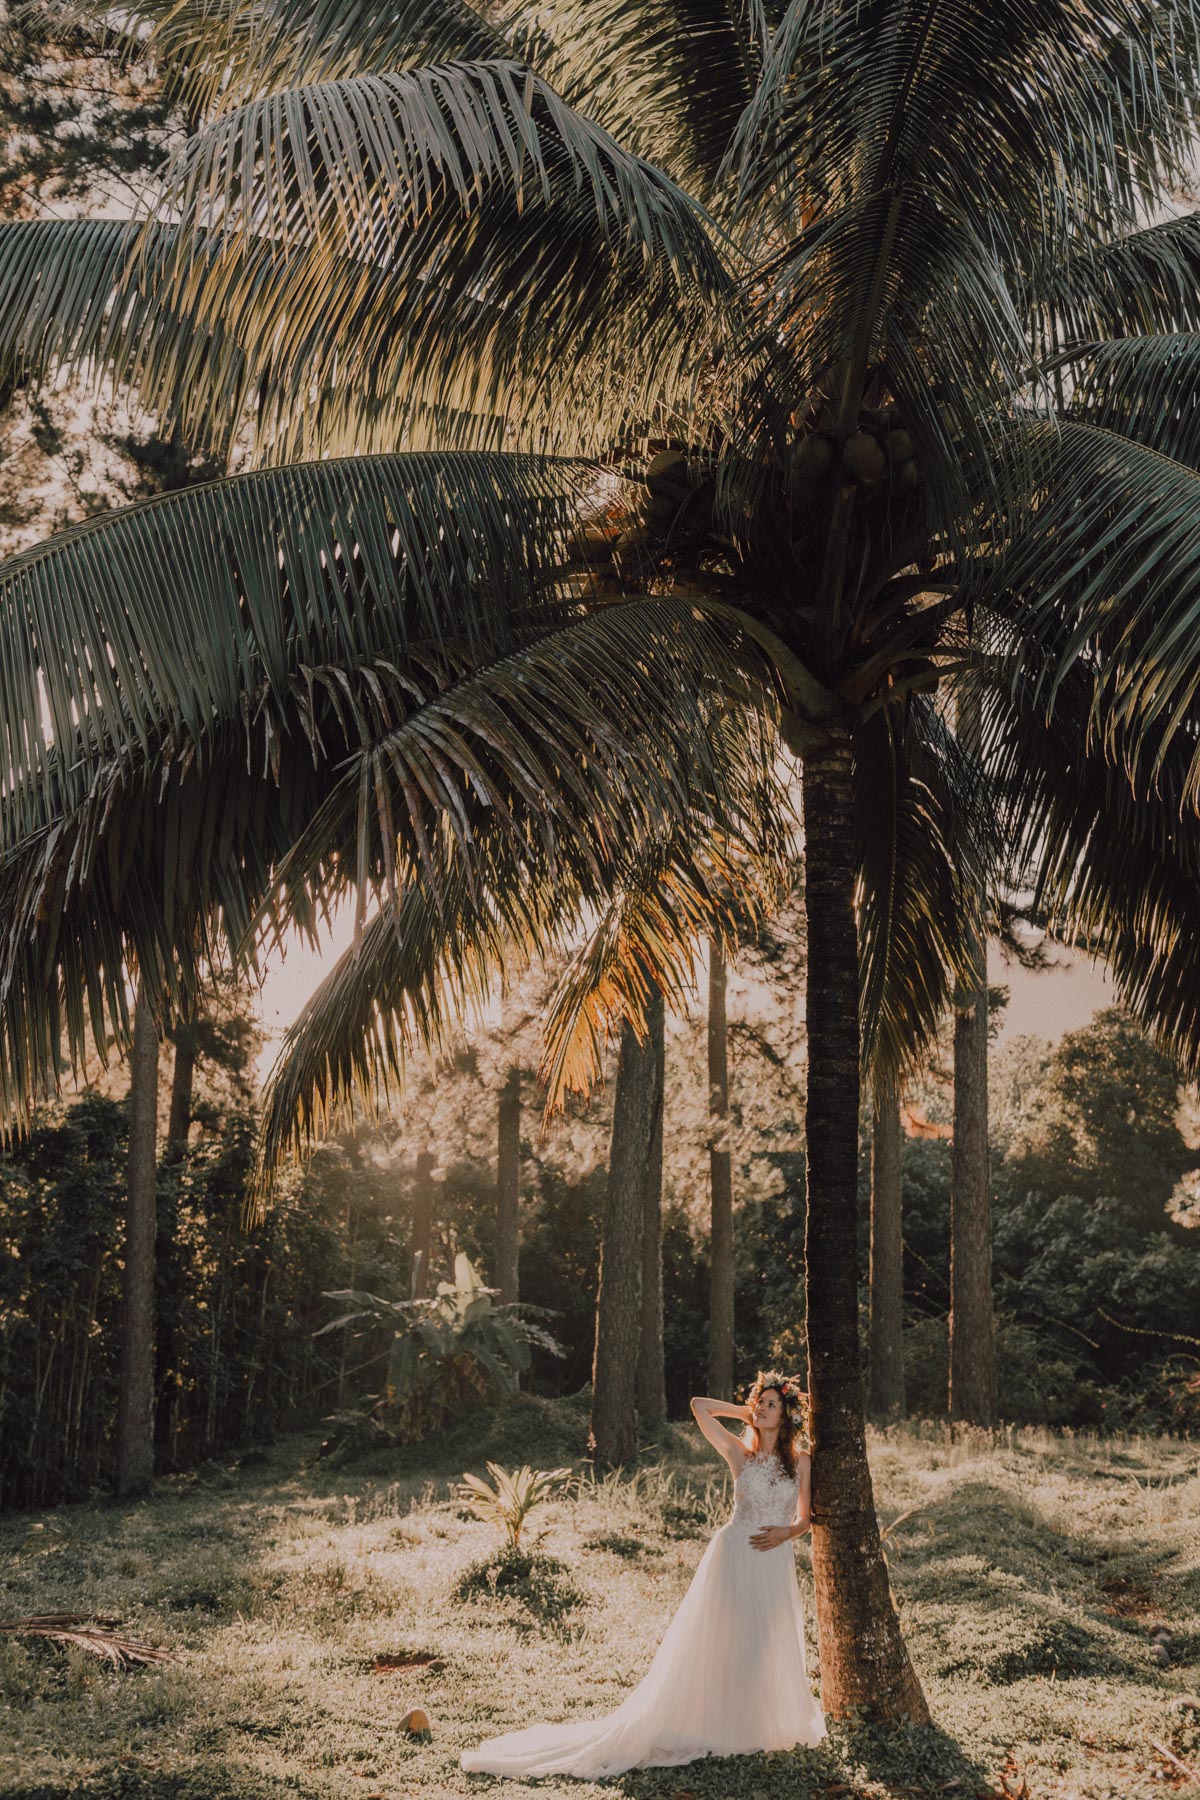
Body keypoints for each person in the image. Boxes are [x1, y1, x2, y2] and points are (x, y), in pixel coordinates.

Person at [460, 1369, 826, 1780]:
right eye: (760, 1401)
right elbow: (699, 1407)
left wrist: (786, 1533)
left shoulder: (801, 1461)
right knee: (727, 1640)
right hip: (735, 1554)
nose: (762, 1408)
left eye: (771, 1404)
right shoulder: (739, 1454)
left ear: (787, 1414)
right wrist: (743, 1412)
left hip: (773, 1559)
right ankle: (722, 1727)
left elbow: (805, 1518)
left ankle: (757, 1724)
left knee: (764, 1642)